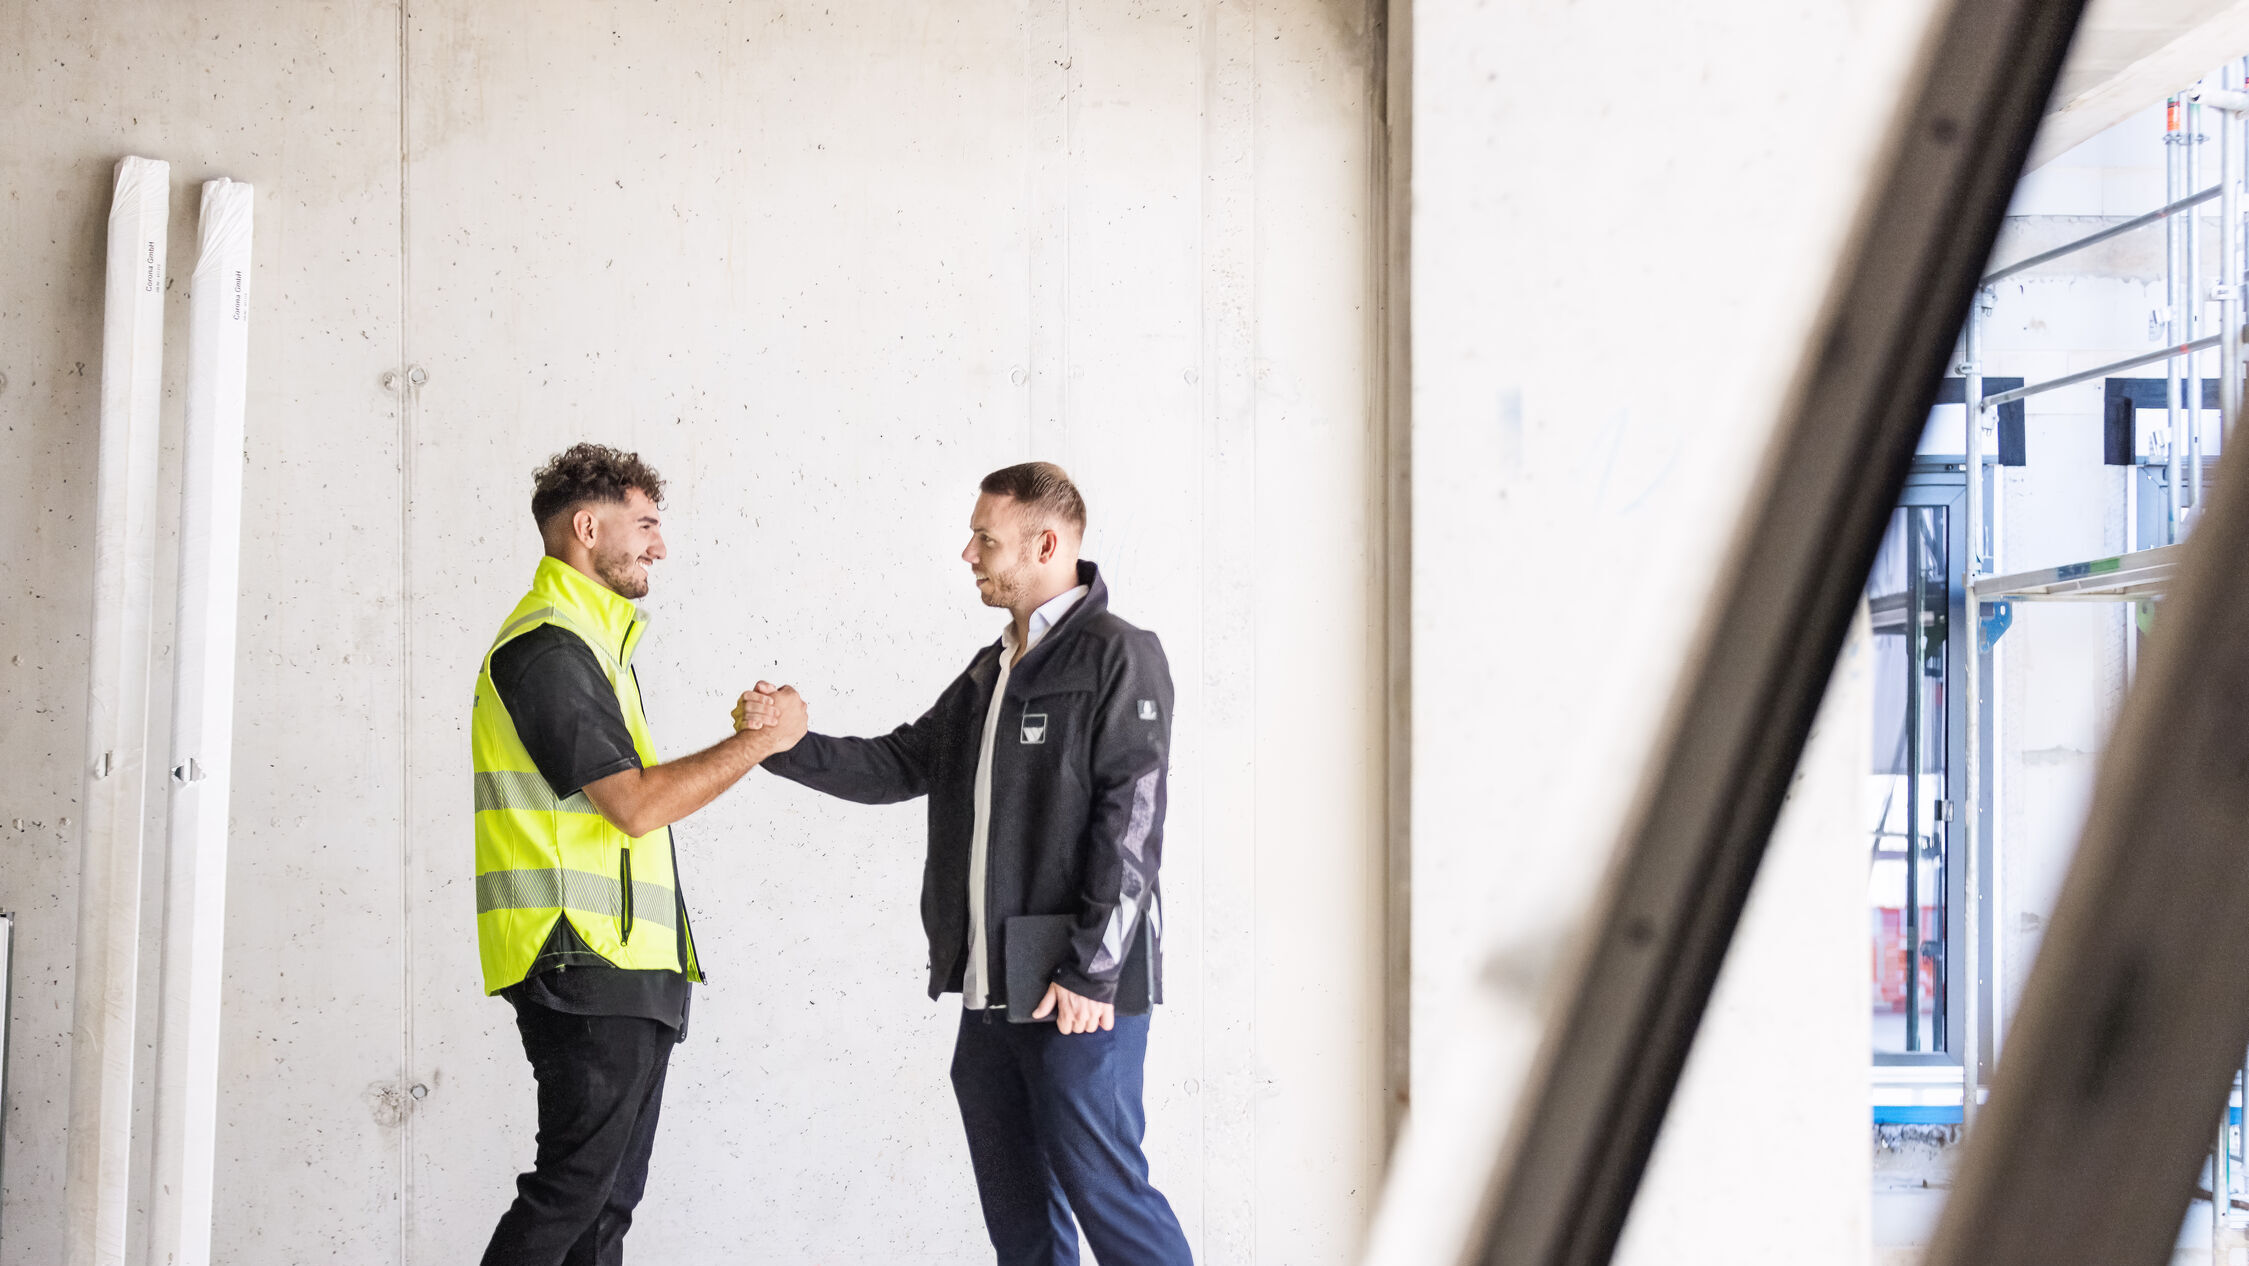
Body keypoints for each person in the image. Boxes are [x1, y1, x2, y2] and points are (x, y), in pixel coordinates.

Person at [758, 461, 1192, 1266]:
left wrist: (1093, 972)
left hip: (1075, 993)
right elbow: (902, 762)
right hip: (992, 993)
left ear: (1046, 544)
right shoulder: (992, 667)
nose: (968, 554)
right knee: (1021, 1228)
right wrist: (781, 746)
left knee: (1111, 1201)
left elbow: (1132, 819)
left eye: (984, 539)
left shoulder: (1118, 654)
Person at [472, 442, 806, 1266]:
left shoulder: (596, 645)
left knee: (603, 1207)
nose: (659, 545)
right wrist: (759, 743)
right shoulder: (548, 648)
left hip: (628, 964)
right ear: (588, 528)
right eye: (646, 524)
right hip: (584, 956)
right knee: (571, 1195)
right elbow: (636, 806)